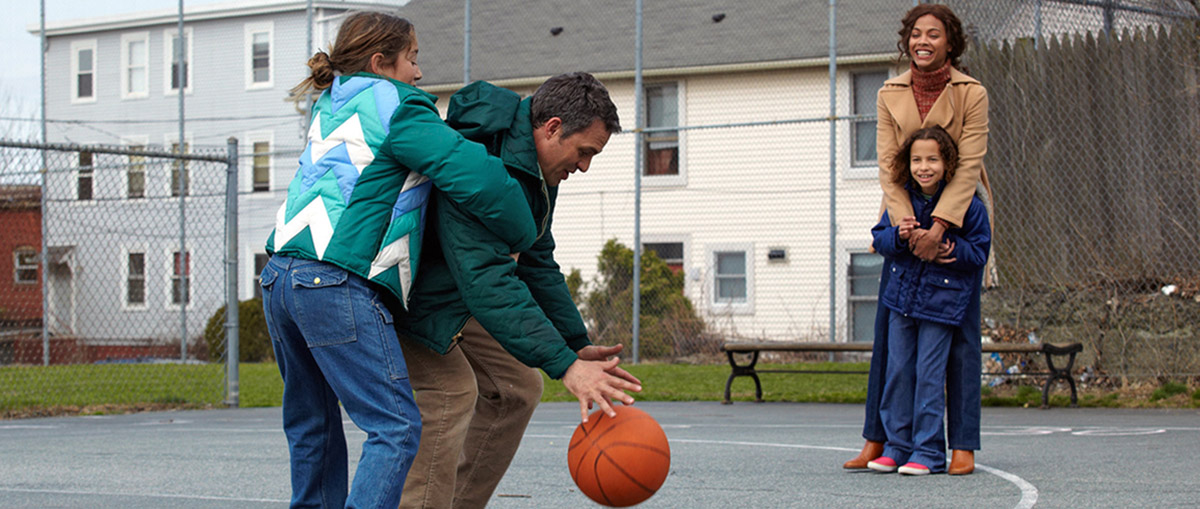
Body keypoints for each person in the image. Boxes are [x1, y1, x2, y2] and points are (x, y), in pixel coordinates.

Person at [259, 11, 538, 508]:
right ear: (379, 62)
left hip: (280, 277)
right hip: (334, 282)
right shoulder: (402, 108)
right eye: (413, 58)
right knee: (396, 426)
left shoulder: (330, 103)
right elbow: (478, 177)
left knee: (313, 427)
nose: (419, 72)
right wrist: (524, 231)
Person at [393, 72, 641, 509]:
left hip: (456, 292)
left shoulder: (539, 171)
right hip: (408, 295)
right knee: (452, 395)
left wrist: (575, 345)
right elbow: (488, 281)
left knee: (518, 388)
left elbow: (537, 260)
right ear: (552, 127)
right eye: (584, 152)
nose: (584, 167)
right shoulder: (483, 160)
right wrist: (564, 365)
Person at [845, 3, 994, 476]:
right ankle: (881, 439)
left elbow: (968, 164)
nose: (922, 41)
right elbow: (889, 167)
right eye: (915, 33)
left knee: (959, 337)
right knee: (892, 334)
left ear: (950, 42)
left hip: (958, 214)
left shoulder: (972, 93)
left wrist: (941, 228)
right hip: (905, 216)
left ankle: (961, 445)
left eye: (933, 33)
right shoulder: (890, 93)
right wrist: (909, 227)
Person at [866, 126, 990, 475]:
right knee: (899, 371)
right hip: (901, 300)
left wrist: (950, 247)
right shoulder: (901, 200)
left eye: (932, 159)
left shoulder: (966, 205)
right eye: (917, 159)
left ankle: (929, 450)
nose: (924, 167)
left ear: (947, 163)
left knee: (930, 375)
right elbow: (878, 239)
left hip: (941, 305)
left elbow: (979, 250)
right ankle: (897, 446)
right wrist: (898, 236)